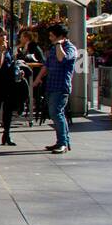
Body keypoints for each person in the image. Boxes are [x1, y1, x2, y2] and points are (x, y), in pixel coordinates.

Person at [34, 22, 79, 153]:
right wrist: (38, 79)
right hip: (51, 85)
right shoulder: (54, 48)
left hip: (61, 86)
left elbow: (62, 59)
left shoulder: (70, 48)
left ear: (60, 36)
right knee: (57, 114)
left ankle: (63, 143)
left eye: (52, 35)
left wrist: (59, 44)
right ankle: (63, 141)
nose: (50, 38)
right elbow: (47, 65)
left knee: (57, 114)